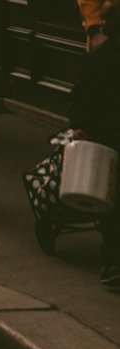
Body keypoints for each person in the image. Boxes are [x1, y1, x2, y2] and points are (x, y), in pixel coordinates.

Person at [66, 32, 120, 292]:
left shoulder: (98, 58)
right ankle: (112, 261)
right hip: (110, 135)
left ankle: (112, 260)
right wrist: (80, 125)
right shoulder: (101, 59)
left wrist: (79, 123)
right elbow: (83, 97)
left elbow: (79, 96)